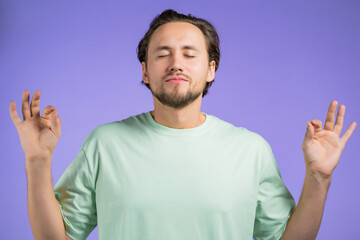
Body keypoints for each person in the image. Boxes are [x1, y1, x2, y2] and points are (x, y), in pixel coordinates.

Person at [9, 9, 357, 240]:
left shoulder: (250, 149)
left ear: (210, 70)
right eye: (162, 53)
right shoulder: (105, 143)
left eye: (190, 54)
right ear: (145, 71)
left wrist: (318, 177)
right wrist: (37, 161)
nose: (176, 63)